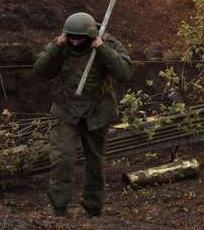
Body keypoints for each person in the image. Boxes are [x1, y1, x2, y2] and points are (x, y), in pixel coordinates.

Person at [33, 12, 133, 218]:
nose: (75, 41)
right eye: (72, 37)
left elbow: (125, 73)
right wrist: (56, 46)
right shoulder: (61, 44)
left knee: (95, 161)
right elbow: (41, 70)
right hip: (66, 110)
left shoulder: (107, 42)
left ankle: (93, 208)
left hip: (97, 111)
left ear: (90, 36)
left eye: (80, 38)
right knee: (62, 159)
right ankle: (59, 209)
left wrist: (102, 49)